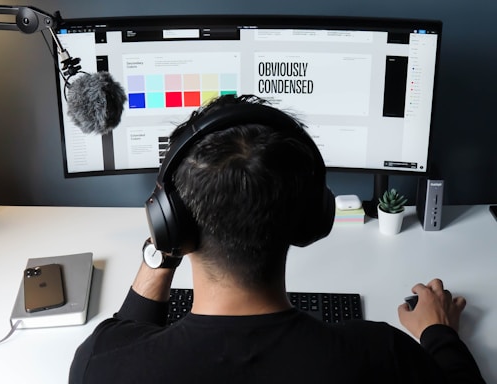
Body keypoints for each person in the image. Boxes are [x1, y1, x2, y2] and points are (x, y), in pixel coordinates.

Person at [69, 94, 484, 383]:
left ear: (169, 224)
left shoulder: (102, 364)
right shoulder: (380, 355)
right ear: (311, 219)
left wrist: (162, 250)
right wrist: (439, 332)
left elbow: (124, 332)